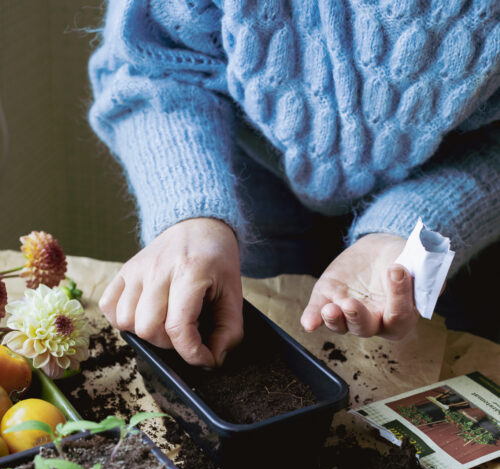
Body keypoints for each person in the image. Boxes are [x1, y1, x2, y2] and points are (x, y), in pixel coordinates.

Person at [89, 1, 500, 367]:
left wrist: (420, 221)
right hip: (247, 177)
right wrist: (189, 210)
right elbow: (153, 62)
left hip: (461, 192)